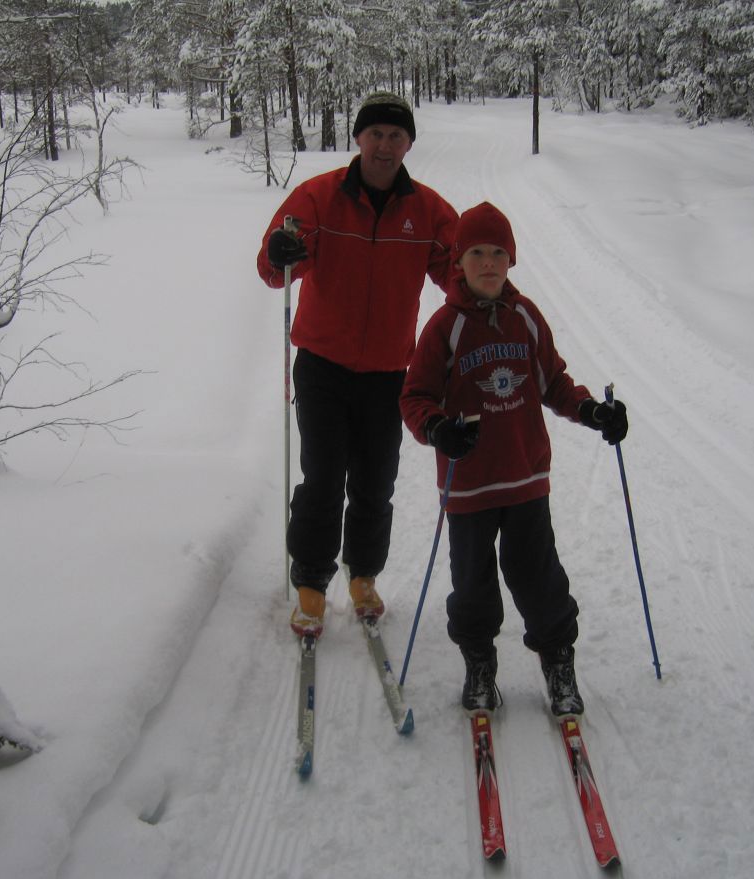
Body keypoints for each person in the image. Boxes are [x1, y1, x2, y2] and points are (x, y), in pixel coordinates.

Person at [399, 201, 629, 716]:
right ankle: (480, 663)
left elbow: (554, 383)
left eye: (498, 253)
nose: (487, 264)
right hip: (469, 485)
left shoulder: (526, 317)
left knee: (539, 575)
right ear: (458, 260)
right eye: (476, 253)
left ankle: (558, 660)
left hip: (525, 478)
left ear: (511, 260)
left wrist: (592, 411)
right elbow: (414, 397)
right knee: (472, 584)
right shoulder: (445, 327)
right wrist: (438, 429)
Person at [257, 92, 458, 639]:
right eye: (377, 134)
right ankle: (312, 581)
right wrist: (279, 252)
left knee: (375, 480)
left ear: (409, 144)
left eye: (397, 136)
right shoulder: (319, 197)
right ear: (359, 138)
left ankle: (363, 575)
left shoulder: (429, 210)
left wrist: (487, 303)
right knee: (323, 476)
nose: (386, 145)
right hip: (323, 363)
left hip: (390, 370)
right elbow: (275, 267)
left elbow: (460, 270)